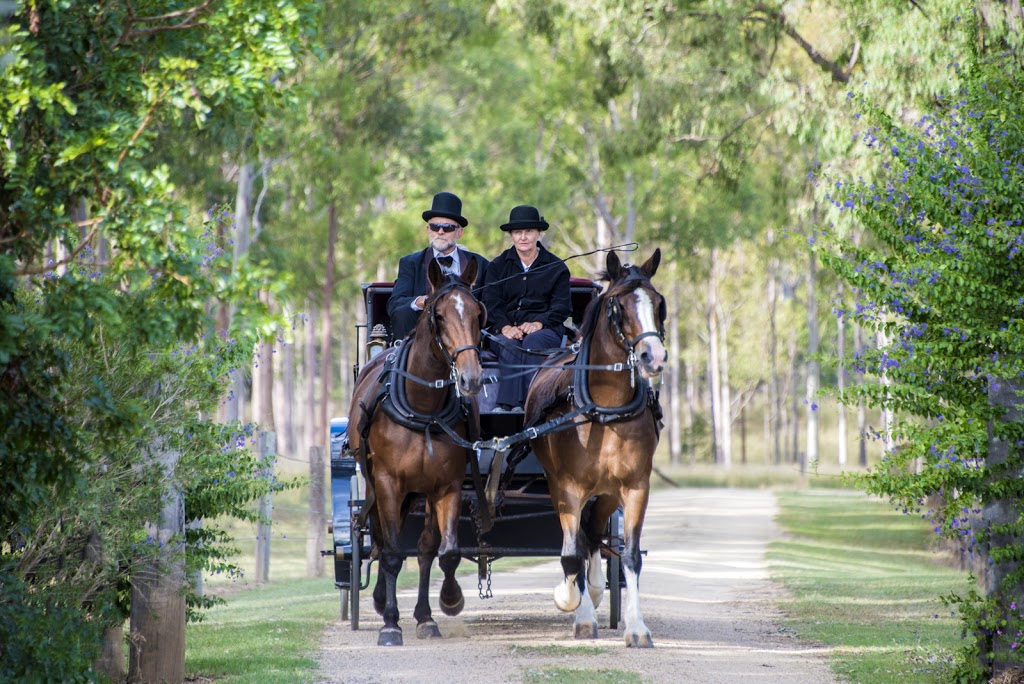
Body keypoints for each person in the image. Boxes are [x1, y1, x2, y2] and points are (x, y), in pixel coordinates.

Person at [482, 205, 572, 411]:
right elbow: (491, 302)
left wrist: (540, 323)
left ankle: (532, 405)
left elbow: (562, 306)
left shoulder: (556, 267)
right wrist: (504, 327)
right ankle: (506, 408)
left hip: (545, 329)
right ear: (511, 235)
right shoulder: (497, 266)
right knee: (509, 343)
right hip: (504, 329)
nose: (523, 237)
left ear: (538, 233)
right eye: (517, 232)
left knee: (533, 341)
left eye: (529, 232)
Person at [387, 191, 489, 342]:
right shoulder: (410, 263)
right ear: (428, 230)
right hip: (423, 344)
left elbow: (489, 305)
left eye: (447, 228)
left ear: (459, 232)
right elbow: (395, 304)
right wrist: (422, 301)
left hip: (466, 341)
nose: (440, 232)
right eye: (435, 227)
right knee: (403, 312)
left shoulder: (480, 264)